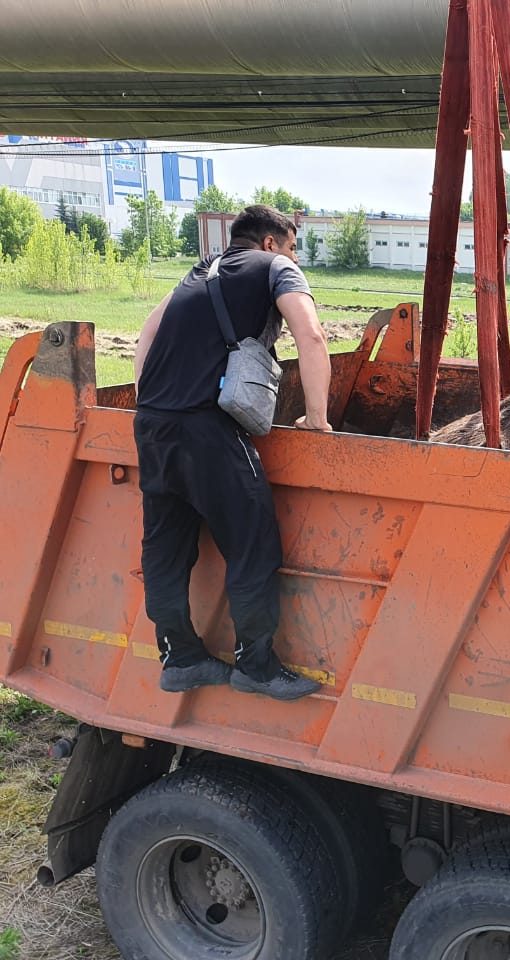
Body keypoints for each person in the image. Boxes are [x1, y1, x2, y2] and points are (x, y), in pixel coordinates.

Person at [133, 205, 332, 701]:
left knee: (166, 545)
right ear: (271, 243)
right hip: (208, 429)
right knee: (254, 543)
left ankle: (180, 658)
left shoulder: (198, 269)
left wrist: (151, 403)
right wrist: (317, 417)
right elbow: (311, 334)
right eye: (290, 246)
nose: (293, 256)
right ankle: (256, 665)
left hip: (154, 424)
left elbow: (147, 334)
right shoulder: (277, 268)